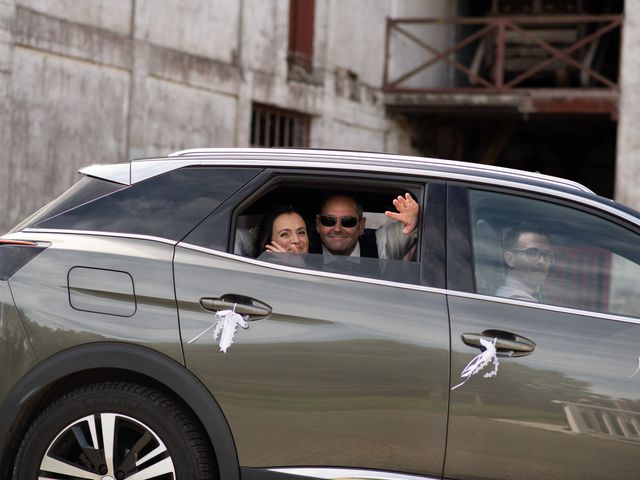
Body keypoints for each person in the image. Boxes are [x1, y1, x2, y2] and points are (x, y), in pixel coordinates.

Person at [315, 192, 419, 259]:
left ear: (361, 226)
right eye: (329, 221)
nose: (337, 229)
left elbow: (413, 225)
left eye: (348, 222)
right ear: (318, 224)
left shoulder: (379, 245)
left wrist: (416, 217)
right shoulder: (304, 247)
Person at [496, 223, 555, 302]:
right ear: (510, 259)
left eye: (547, 254)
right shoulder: (516, 300)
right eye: (532, 253)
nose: (542, 261)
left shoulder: (533, 295)